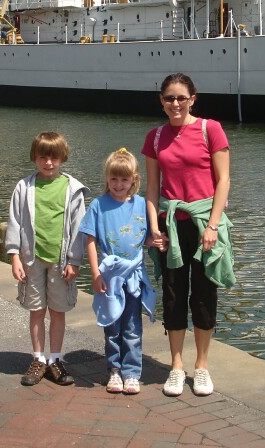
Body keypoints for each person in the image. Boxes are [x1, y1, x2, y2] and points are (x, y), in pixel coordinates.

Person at [142, 73, 234, 398]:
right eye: (169, 98)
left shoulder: (211, 129)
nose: (176, 104)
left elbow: (223, 180)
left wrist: (213, 226)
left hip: (204, 222)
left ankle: (202, 365)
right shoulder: (155, 137)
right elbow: (152, 188)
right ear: (161, 101)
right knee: (173, 294)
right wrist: (154, 228)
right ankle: (177, 366)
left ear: (193, 99)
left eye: (182, 97)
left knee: (205, 294)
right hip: (171, 224)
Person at [5, 132, 89, 386]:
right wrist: (14, 256)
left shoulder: (73, 189)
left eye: (54, 158)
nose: (49, 163)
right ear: (35, 158)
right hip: (32, 258)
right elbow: (15, 222)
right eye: (43, 157)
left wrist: (75, 260)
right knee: (36, 310)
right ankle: (38, 358)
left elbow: (78, 227)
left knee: (58, 310)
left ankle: (55, 359)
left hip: (60, 260)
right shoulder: (24, 187)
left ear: (63, 158)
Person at [79, 148, 156, 395]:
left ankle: (131, 372)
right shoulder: (98, 205)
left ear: (134, 179)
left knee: (132, 325)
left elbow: (144, 237)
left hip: (134, 274)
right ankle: (114, 368)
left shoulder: (141, 204)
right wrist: (95, 274)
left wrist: (155, 241)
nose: (118, 184)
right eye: (114, 178)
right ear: (106, 178)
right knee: (112, 324)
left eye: (124, 179)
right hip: (109, 275)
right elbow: (91, 240)